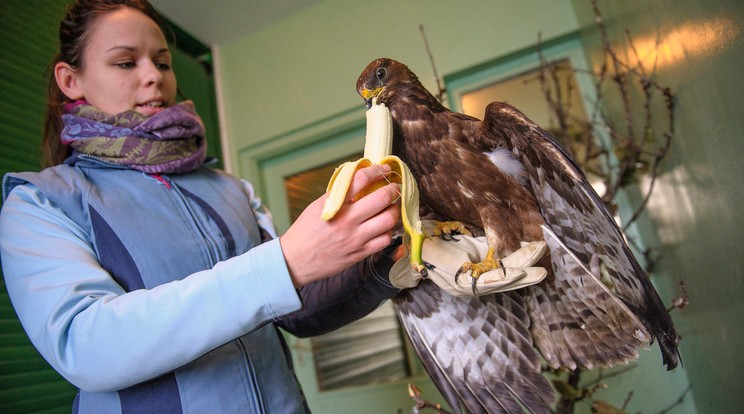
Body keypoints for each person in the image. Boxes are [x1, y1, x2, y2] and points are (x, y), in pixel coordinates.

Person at [0, 0, 403, 412]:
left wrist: (392, 261)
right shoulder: (39, 202)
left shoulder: (232, 188)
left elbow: (293, 313)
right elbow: (87, 345)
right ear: (71, 80)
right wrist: (285, 262)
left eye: (163, 62)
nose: (153, 76)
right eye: (125, 63)